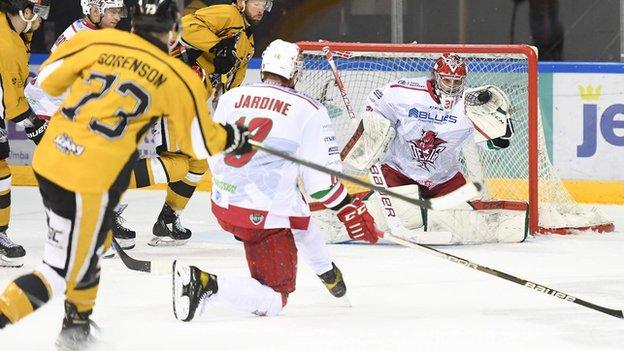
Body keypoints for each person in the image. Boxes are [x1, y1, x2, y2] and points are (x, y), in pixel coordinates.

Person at [0, 1, 249, 349]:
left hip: (51, 159)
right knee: (57, 271)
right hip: (89, 177)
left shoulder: (97, 42)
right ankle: (72, 325)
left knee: (92, 243)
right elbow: (202, 142)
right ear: (172, 30)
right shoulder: (176, 77)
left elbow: (50, 83)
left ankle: (77, 323)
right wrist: (234, 138)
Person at [172, 39, 382, 321]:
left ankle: (328, 273)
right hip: (261, 219)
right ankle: (207, 284)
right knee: (275, 298)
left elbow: (208, 150)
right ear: (295, 71)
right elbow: (321, 186)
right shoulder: (309, 109)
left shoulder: (232, 96)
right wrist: (347, 208)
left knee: (298, 211)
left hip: (222, 205)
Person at [337, 53, 527, 244]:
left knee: (462, 228)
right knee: (385, 216)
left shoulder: (469, 105)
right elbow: (376, 100)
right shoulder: (404, 92)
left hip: (444, 180)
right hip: (399, 173)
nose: (452, 87)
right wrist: (372, 127)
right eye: (447, 80)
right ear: (436, 77)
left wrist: (499, 134)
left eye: (457, 81)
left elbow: (491, 143)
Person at [125, 0, 272, 247]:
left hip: (188, 101)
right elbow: (186, 26)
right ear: (241, 3)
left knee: (198, 162)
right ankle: (105, 188)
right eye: (256, 2)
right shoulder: (228, 14)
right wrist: (219, 46)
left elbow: (230, 87)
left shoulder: (248, 43)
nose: (261, 8)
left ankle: (168, 219)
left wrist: (231, 119)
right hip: (170, 90)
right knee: (180, 164)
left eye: (265, 4)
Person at [24, 0, 137, 252]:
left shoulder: (90, 31)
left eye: (119, 10)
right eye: (112, 11)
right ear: (94, 10)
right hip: (46, 108)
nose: (118, 16)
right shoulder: (83, 39)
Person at [0, 0, 50, 267]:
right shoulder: (7, 45)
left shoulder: (14, 31)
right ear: (25, 11)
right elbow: (16, 109)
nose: (43, 18)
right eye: (38, 11)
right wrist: (46, 139)